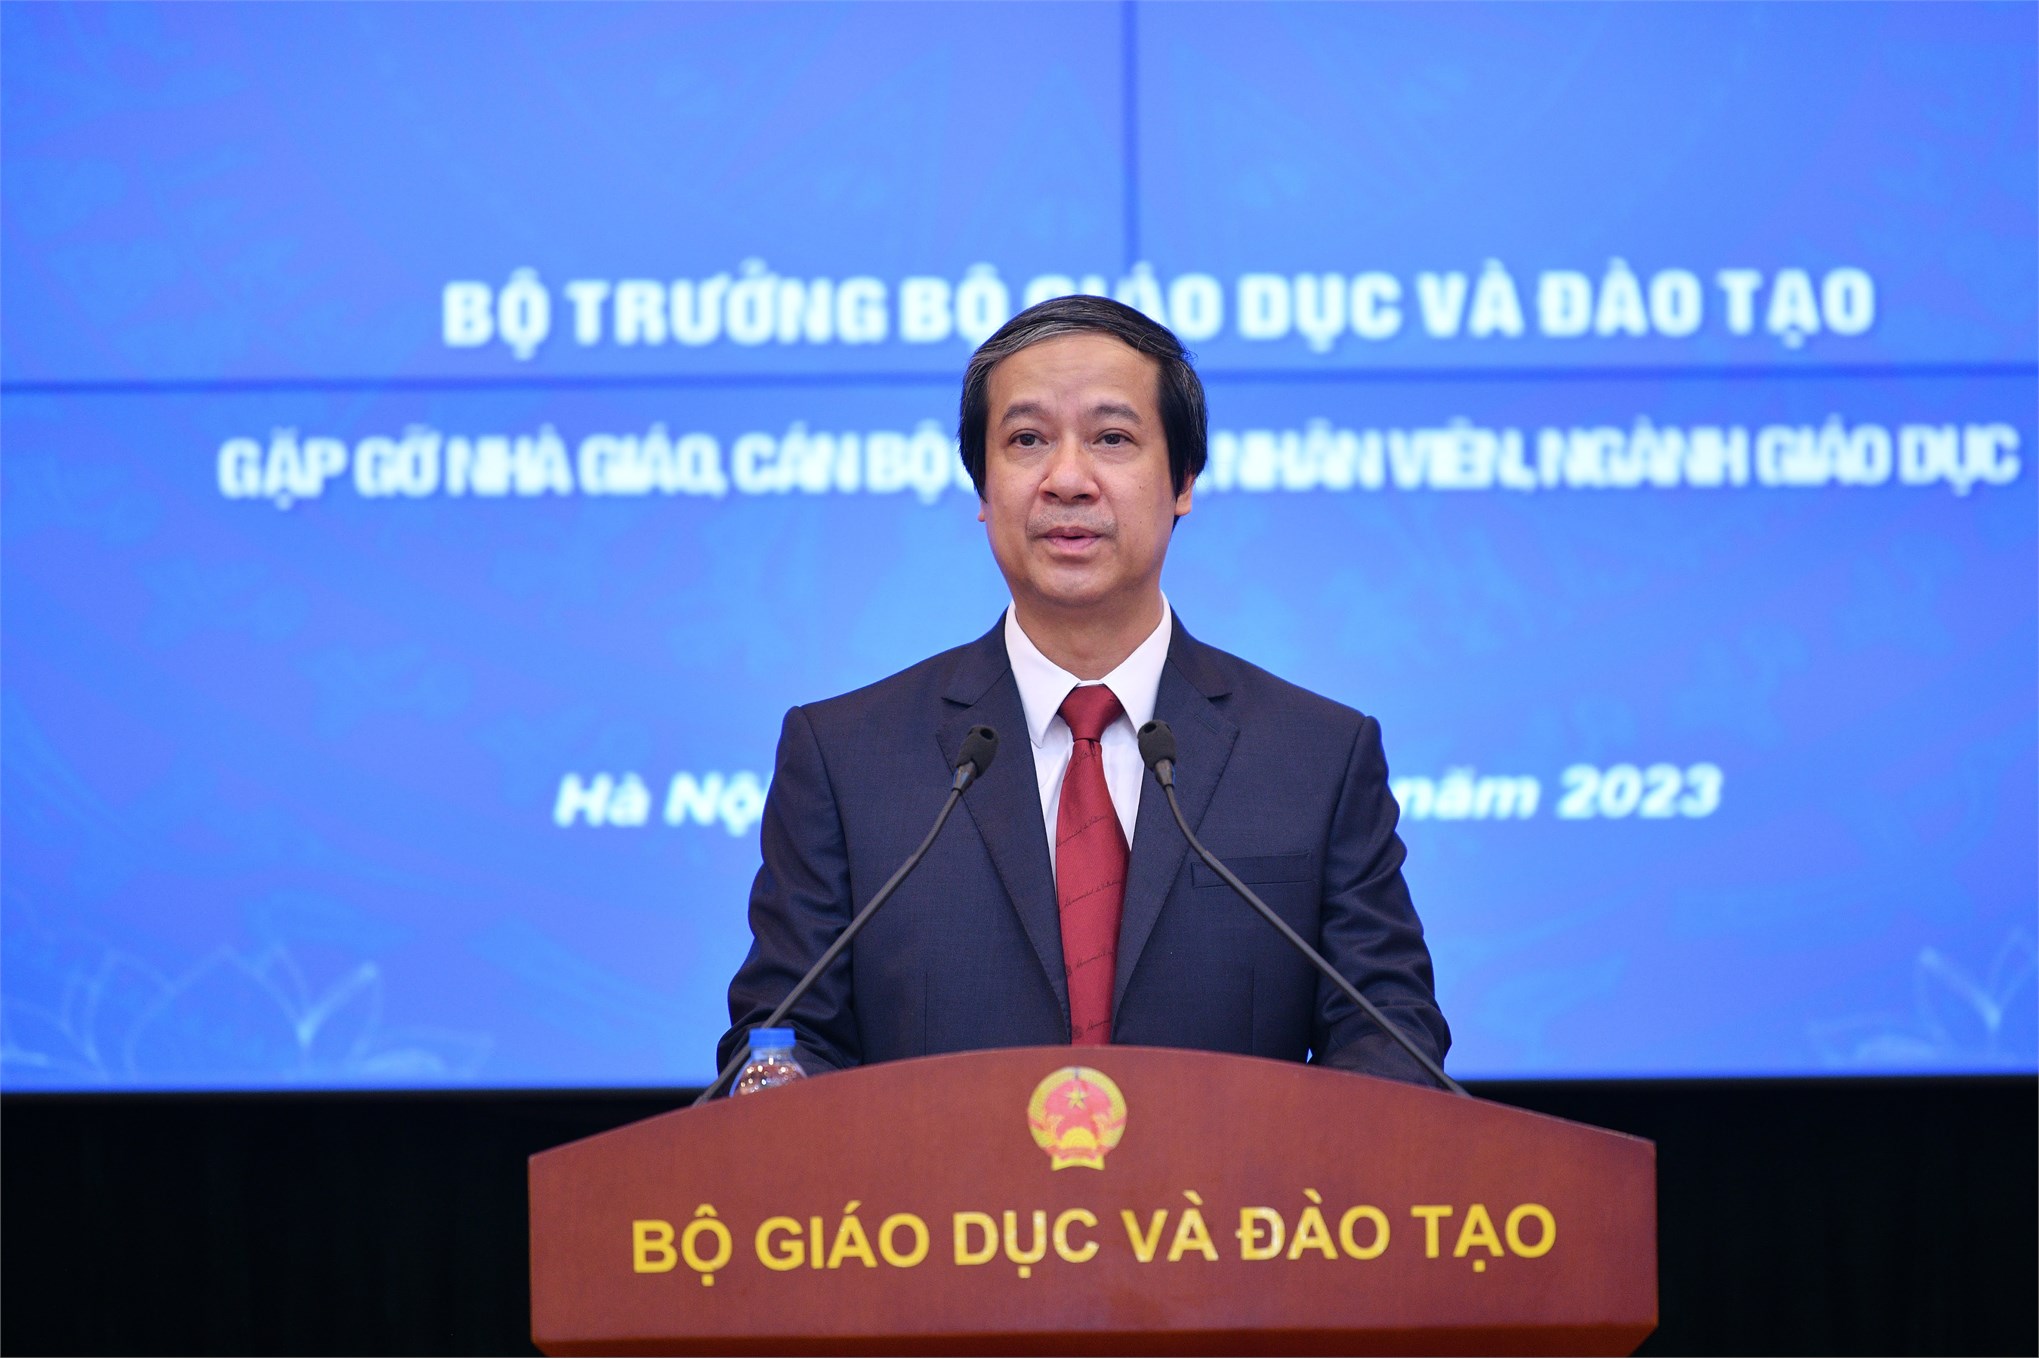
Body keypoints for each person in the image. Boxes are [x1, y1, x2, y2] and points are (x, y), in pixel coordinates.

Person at [717, 296, 1449, 1084]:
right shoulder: (845, 758)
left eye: (1112, 438)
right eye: (1026, 440)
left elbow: (1389, 1037)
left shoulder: (1316, 757)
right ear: (982, 487)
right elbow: (780, 1041)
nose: (1066, 479)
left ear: (1183, 481)